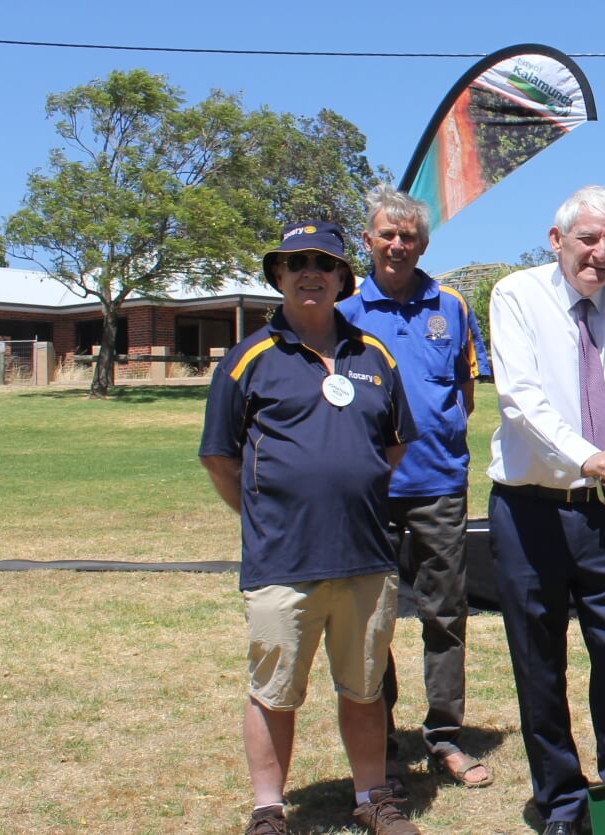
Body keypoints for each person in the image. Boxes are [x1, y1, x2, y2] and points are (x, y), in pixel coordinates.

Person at [199, 221, 423, 835]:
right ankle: (269, 809)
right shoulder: (249, 358)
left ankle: (373, 795)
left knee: (365, 687)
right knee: (274, 691)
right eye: (294, 262)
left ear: (342, 279)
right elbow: (219, 456)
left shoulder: (373, 355)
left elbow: (393, 446)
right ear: (277, 275)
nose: (309, 273)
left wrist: (347, 483)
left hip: (365, 556)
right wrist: (265, 515)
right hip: (283, 561)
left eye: (322, 263)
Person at [484, 186, 605, 835]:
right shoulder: (516, 295)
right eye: (588, 238)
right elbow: (521, 399)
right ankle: (562, 800)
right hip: (529, 508)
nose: (601, 252)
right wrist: (591, 454)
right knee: (539, 660)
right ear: (556, 239)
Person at [335, 185, 492, 789]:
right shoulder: (345, 312)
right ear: (369, 241)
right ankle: (384, 744)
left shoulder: (450, 306)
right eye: (387, 235)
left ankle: (445, 736)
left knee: (445, 612)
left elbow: (465, 395)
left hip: (437, 483)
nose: (398, 245)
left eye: (409, 237)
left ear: (423, 243)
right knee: (369, 620)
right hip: (368, 489)